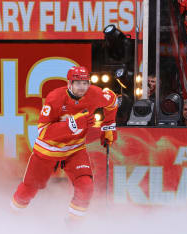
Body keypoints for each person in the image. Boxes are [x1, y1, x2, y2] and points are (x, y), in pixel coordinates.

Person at [11, 66, 118, 219]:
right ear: (69, 84)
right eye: (78, 83)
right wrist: (72, 125)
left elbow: (112, 100)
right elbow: (43, 131)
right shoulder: (55, 98)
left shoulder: (94, 94)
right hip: (47, 150)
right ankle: (12, 217)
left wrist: (109, 126)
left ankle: (73, 227)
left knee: (86, 186)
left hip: (75, 150)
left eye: (85, 83)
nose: (83, 87)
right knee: (28, 190)